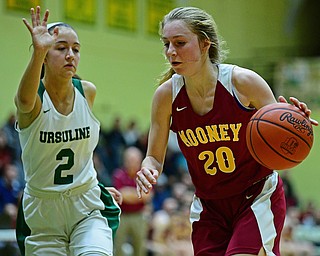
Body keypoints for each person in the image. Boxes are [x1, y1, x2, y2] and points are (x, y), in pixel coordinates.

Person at [135, 6, 318, 256]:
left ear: (204, 44)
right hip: (209, 206)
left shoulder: (243, 83)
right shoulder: (166, 96)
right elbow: (154, 156)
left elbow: (284, 127)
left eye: (179, 43)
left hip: (255, 196)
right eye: (166, 44)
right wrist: (148, 169)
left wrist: (297, 122)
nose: (170, 52)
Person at [14, 6, 122, 255]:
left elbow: (83, 157)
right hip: (42, 214)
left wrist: (97, 186)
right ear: (44, 53)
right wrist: (38, 53)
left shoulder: (87, 92)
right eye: (61, 48)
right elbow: (23, 101)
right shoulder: (34, 100)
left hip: (86, 206)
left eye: (76, 49)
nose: (70, 54)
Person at [112, 147, 152, 256]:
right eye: (129, 160)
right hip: (121, 215)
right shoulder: (118, 174)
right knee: (118, 247)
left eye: (135, 160)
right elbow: (120, 195)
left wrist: (128, 194)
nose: (132, 163)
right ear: (125, 160)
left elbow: (147, 196)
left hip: (139, 215)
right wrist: (137, 194)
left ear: (140, 161)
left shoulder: (144, 175)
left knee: (140, 248)